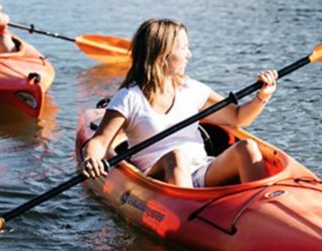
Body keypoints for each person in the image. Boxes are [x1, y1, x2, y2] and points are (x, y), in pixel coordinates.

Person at [80, 18, 278, 188]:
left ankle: (261, 207)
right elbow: (99, 141)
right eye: (183, 48)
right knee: (177, 157)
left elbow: (238, 117)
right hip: (159, 180)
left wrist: (262, 96)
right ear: (162, 55)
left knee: (247, 147)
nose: (189, 54)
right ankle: (189, 212)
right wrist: (91, 158)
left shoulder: (191, 88)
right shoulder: (129, 97)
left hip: (203, 170)